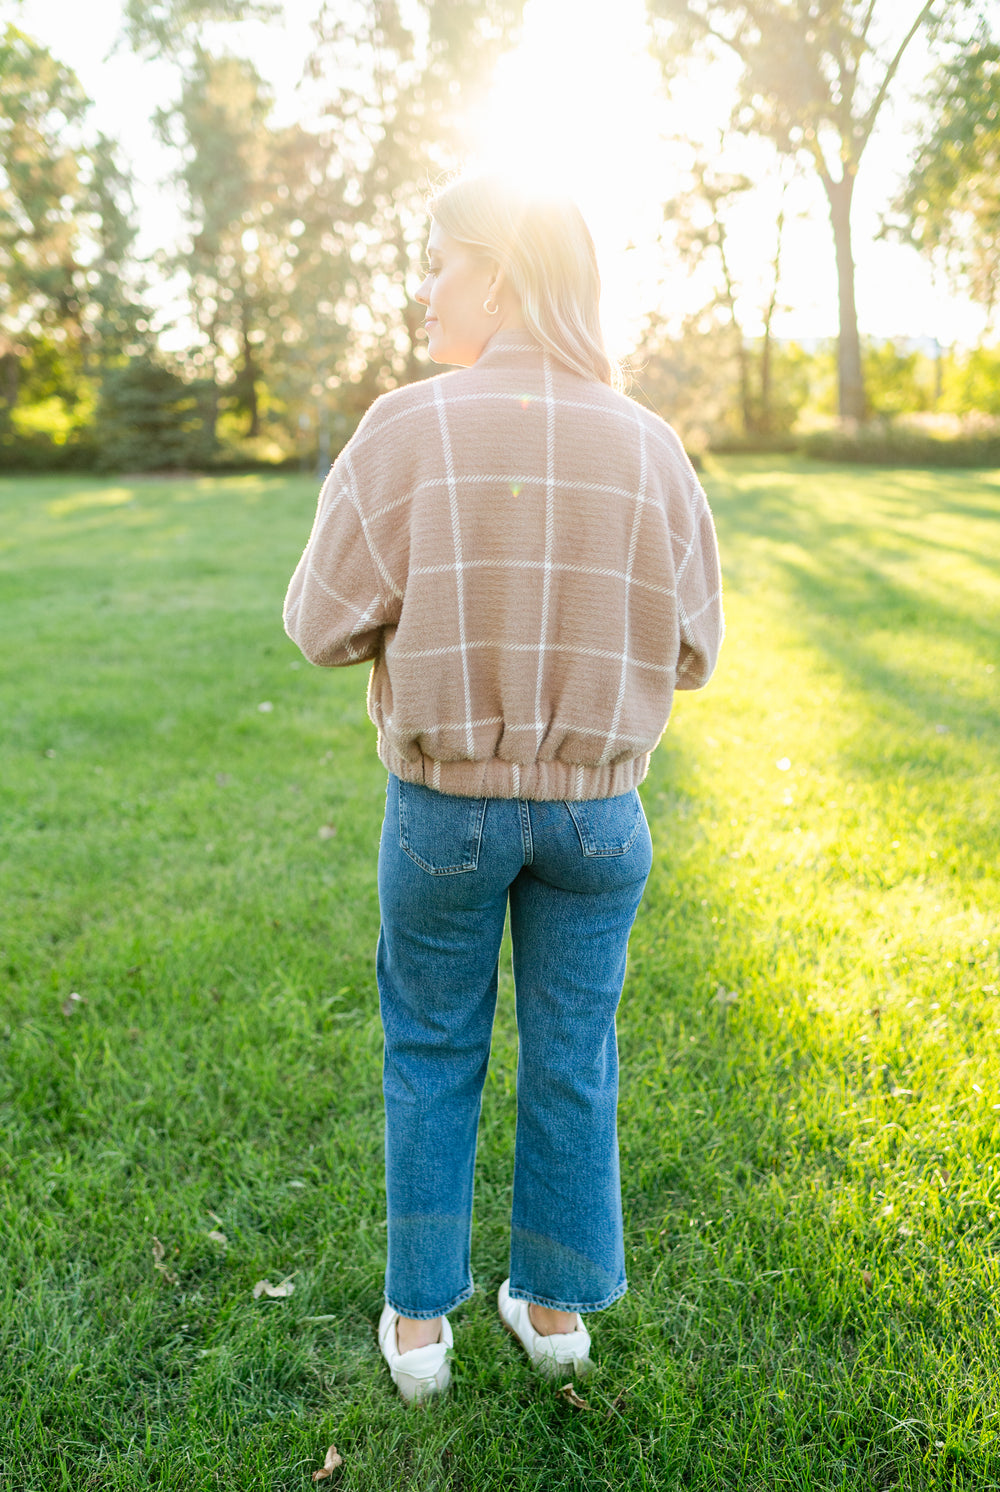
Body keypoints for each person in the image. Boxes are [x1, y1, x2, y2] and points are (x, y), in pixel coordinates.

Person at [283, 173, 724, 1403]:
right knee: (574, 1048)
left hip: (446, 812)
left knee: (430, 1046)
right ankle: (552, 1306)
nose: (425, 288)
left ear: (497, 273)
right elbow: (696, 647)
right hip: (597, 814)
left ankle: (420, 1329)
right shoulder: (647, 441)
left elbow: (318, 625)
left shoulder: (405, 426)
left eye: (438, 262)